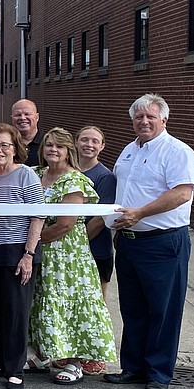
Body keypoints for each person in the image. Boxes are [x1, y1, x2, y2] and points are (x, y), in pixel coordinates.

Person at [107, 94, 194, 389]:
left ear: (164, 120)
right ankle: (133, 367)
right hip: (129, 242)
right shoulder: (130, 150)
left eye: (150, 117)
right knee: (133, 308)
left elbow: (182, 193)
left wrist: (140, 213)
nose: (144, 122)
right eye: (138, 117)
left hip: (163, 242)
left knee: (163, 309)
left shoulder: (177, 152)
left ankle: (159, 372)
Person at [30, 127, 117, 387]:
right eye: (48, 145)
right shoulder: (35, 175)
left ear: (69, 151)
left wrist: (32, 239)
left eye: (59, 146)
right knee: (43, 302)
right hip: (41, 252)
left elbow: (66, 223)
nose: (53, 150)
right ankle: (43, 355)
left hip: (68, 255)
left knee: (71, 305)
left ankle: (75, 363)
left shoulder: (74, 180)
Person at [0, 124, 45, 389]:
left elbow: (38, 216)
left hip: (19, 250)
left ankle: (16, 370)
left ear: (15, 148)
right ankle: (3, 363)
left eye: (5, 145)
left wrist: (28, 254)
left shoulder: (26, 175)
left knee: (17, 312)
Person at [77, 125, 117, 302]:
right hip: (67, 249)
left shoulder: (104, 177)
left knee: (95, 302)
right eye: (84, 139)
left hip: (96, 250)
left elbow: (100, 219)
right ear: (76, 143)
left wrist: (77, 243)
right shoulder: (66, 171)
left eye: (95, 141)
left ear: (102, 146)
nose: (89, 144)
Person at [10, 99, 43, 167]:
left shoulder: (47, 144)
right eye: (18, 115)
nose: (22, 118)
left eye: (27, 114)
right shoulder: (6, 145)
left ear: (37, 117)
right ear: (12, 118)